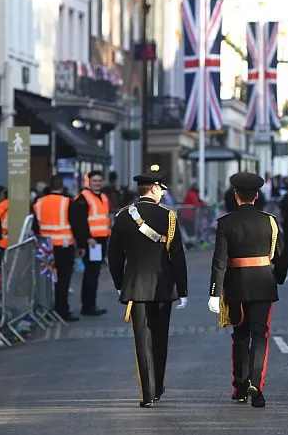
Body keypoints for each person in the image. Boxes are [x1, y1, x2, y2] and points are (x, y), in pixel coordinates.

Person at [208, 172, 288, 408]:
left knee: (240, 336)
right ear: (256, 196)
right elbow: (282, 257)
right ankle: (256, 384)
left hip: (235, 284)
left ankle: (240, 387)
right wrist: (279, 278)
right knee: (260, 335)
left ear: (236, 195)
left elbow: (219, 261)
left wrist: (214, 291)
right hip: (264, 283)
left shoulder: (225, 223)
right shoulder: (270, 222)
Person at [108, 173, 188, 408]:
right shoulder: (169, 216)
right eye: (161, 189)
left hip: (134, 286)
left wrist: (119, 283)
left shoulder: (123, 216)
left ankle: (147, 393)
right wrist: (182, 289)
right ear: (153, 189)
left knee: (141, 341)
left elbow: (114, 255)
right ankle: (158, 387)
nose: (162, 193)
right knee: (160, 339)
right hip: (163, 287)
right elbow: (178, 256)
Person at [33, 178, 77, 322]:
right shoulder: (67, 202)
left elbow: (35, 226)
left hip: (46, 247)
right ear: (62, 187)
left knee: (46, 279)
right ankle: (62, 310)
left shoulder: (38, 203)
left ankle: (46, 309)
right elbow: (74, 224)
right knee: (63, 280)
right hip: (64, 246)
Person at [69, 170, 112, 316]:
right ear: (89, 181)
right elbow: (79, 222)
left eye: (99, 180)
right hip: (92, 242)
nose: (97, 183)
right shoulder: (82, 198)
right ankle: (88, 306)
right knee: (91, 274)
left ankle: (90, 305)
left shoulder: (103, 197)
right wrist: (86, 239)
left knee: (94, 273)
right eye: (95, 180)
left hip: (101, 240)